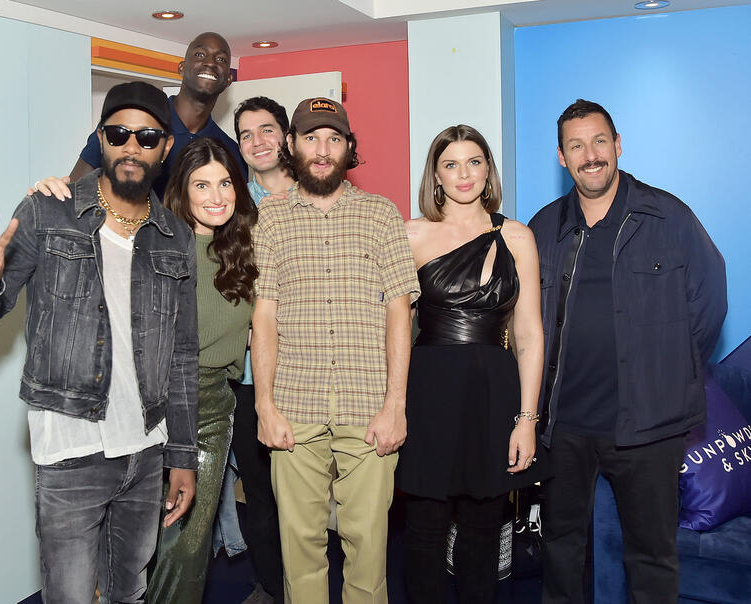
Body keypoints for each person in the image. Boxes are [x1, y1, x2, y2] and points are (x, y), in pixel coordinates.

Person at [0, 81, 198, 603]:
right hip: (69, 448)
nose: (132, 146)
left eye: (148, 136)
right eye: (119, 133)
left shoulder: (175, 235)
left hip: (148, 448)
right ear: (101, 139)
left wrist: (182, 454)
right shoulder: (48, 210)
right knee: (67, 595)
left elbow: (181, 354)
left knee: (128, 591)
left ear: (165, 147)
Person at [529, 99, 727, 604]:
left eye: (599, 142)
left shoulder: (667, 216)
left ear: (618, 145)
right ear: (561, 157)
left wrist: (667, 373)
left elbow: (711, 301)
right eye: (576, 146)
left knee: (651, 557)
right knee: (560, 550)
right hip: (563, 426)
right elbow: (526, 322)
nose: (590, 155)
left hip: (647, 425)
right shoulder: (544, 227)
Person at [251, 97, 419, 604]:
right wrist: (264, 404)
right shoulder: (271, 219)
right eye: (311, 138)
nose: (322, 150)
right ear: (291, 145)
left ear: (349, 148)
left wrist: (395, 406)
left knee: (368, 548)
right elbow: (264, 316)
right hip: (294, 406)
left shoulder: (381, 214)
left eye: (334, 139)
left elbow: (400, 312)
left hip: (369, 407)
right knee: (298, 549)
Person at [396, 125, 548, 603]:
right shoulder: (412, 234)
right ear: (436, 176)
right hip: (430, 390)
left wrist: (527, 419)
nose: (464, 174)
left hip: (494, 393)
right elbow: (394, 329)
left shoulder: (519, 236)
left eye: (474, 162)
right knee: (424, 530)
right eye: (451, 164)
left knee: (484, 530)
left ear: (488, 170)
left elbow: (528, 333)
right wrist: (392, 404)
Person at [146, 137, 257, 603]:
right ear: (182, 191)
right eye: (202, 184)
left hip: (213, 404)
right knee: (141, 541)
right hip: (156, 401)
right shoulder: (160, 247)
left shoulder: (245, 249)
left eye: (225, 182)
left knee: (185, 543)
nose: (216, 196)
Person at [227, 95, 297, 604]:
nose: (258, 142)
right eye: (246, 134)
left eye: (267, 129)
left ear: (287, 136)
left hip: (314, 367)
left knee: (308, 491)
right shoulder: (233, 204)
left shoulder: (320, 194)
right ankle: (273, 586)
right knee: (260, 489)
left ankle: (307, 581)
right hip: (250, 376)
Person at [62, 32, 246, 199]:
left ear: (228, 79)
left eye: (221, 59)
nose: (210, 62)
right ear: (182, 68)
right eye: (199, 55)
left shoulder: (229, 150)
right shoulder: (131, 122)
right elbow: (75, 189)